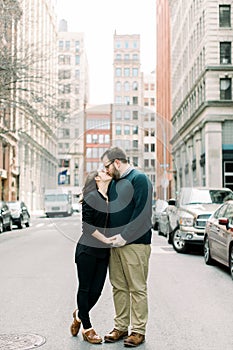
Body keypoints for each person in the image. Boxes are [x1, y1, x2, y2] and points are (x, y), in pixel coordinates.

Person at [101, 147, 153, 347]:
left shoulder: (139, 179)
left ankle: (138, 331)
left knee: (137, 288)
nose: (105, 171)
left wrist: (124, 237)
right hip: (114, 244)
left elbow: (143, 214)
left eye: (106, 166)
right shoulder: (114, 183)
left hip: (136, 244)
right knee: (118, 287)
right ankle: (121, 326)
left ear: (116, 162)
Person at [70, 169, 113, 344]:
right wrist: (107, 240)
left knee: (97, 291)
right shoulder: (91, 197)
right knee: (85, 288)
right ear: (97, 178)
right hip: (87, 251)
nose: (106, 171)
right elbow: (87, 228)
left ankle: (79, 314)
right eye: (103, 171)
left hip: (103, 252)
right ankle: (87, 329)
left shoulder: (110, 197)